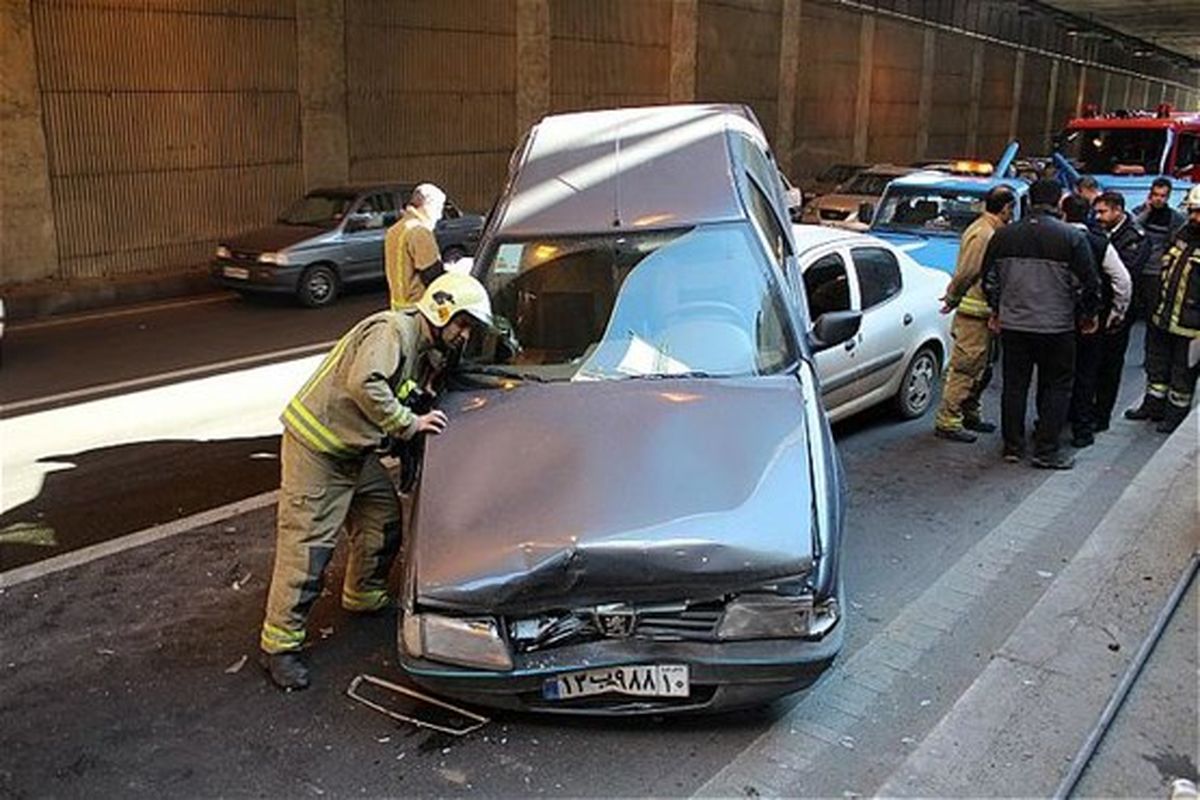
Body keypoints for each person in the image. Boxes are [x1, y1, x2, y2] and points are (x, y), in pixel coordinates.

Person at [259, 273, 493, 690]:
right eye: (462, 324)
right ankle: (279, 646)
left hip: (351, 449)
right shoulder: (392, 330)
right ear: (440, 311)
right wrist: (408, 424)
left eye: (469, 328)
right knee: (307, 548)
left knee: (382, 519)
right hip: (318, 447)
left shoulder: (424, 347)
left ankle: (363, 596)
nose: (463, 335)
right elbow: (365, 382)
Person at [982, 179, 1101, 470]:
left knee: (1014, 384)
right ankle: (1046, 450)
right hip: (1057, 326)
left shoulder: (1004, 235)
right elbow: (1090, 283)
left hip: (1015, 324)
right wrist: (1087, 316)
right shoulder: (1071, 237)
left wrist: (998, 310)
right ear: (1059, 202)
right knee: (1056, 386)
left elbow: (988, 280)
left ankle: (1012, 445)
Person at [933, 185, 1015, 443]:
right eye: (1011, 208)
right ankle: (948, 420)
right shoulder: (983, 234)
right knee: (966, 368)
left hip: (984, 312)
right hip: (974, 312)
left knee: (981, 368)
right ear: (1005, 208)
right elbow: (968, 272)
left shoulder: (991, 230)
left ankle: (969, 413)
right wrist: (952, 298)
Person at [1125, 185, 1200, 433]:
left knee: (1182, 372)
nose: (1194, 217)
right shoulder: (1182, 233)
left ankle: (1175, 415)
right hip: (1164, 315)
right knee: (1157, 366)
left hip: (1192, 326)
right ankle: (1153, 406)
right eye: (1192, 211)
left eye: (1199, 212)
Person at [1062, 194, 1131, 447]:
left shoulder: (1055, 238)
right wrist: (1116, 313)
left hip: (1057, 318)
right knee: (1085, 374)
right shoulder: (1099, 242)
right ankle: (1082, 430)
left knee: (1056, 375)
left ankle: (1050, 423)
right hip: (1089, 320)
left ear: (1063, 212)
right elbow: (1122, 281)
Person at [1092, 190, 1150, 430]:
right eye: (1096, 211)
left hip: (1118, 311)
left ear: (1118, 210)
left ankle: (1101, 416)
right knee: (1089, 363)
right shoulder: (1097, 231)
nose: (1098, 216)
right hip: (1096, 307)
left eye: (1103, 211)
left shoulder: (1134, 237)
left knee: (1109, 365)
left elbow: (1127, 275)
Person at [385, 184, 448, 311]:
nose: (440, 216)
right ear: (428, 204)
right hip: (418, 307)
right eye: (439, 208)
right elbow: (432, 273)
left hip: (398, 305)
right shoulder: (419, 231)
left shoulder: (395, 230)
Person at [1132, 178, 1186, 319]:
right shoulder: (1139, 212)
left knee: (1152, 313)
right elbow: (1132, 229)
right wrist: (1146, 212)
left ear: (1168, 197)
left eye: (1162, 196)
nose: (1158, 199)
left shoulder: (1175, 218)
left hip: (1156, 271)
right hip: (1136, 267)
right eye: (1155, 195)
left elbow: (1176, 242)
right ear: (1150, 195)